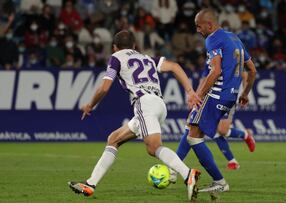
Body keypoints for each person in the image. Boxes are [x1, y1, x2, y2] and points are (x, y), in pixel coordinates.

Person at [68, 30, 202, 201]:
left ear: (114, 47)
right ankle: (90, 184)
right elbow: (174, 66)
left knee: (153, 147)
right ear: (134, 46)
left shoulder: (116, 57)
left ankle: (187, 174)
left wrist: (90, 105)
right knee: (114, 139)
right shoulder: (147, 58)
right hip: (159, 104)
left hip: (144, 103)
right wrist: (190, 91)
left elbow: (104, 88)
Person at [175, 8, 257, 193]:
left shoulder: (212, 39)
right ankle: (175, 169)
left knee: (193, 137)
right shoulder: (234, 38)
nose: (197, 30)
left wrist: (198, 94)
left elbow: (216, 71)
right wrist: (245, 94)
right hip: (231, 96)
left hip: (217, 94)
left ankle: (219, 182)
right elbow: (252, 70)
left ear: (209, 25)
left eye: (198, 26)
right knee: (192, 125)